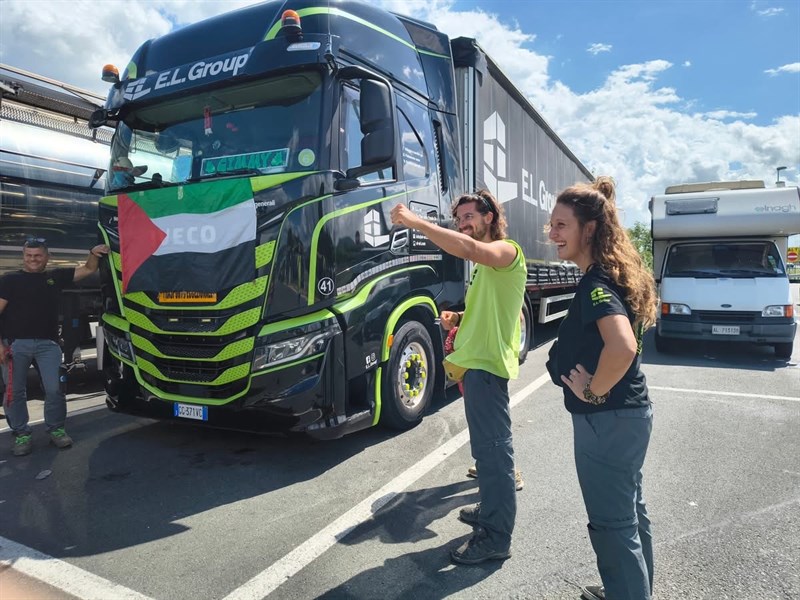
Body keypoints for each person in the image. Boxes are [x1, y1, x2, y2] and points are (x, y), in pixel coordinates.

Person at [391, 190, 526, 565]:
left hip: (487, 367)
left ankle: (496, 537)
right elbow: (497, 313)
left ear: (489, 216)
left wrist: (416, 222)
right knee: (486, 451)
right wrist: (460, 319)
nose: (464, 223)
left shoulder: (507, 252)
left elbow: (469, 249)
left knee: (495, 454)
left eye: (470, 216)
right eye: (460, 219)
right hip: (476, 365)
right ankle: (490, 512)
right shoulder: (486, 266)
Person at [545, 177, 657, 600]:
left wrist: (593, 391)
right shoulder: (609, 275)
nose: (552, 234)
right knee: (630, 513)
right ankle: (633, 592)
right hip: (628, 416)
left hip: (607, 422)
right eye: (551, 225)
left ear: (588, 229)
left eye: (561, 225)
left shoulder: (596, 284)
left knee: (613, 525)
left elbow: (623, 346)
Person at [0, 238, 110, 457]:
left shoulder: (55, 277)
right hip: (15, 345)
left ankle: (56, 429)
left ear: (46, 257)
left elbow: (88, 269)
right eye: (29, 255)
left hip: (48, 344)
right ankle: (21, 433)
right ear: (23, 257)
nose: (33, 260)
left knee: (55, 390)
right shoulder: (9, 280)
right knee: (15, 393)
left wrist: (94, 253)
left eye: (38, 255)